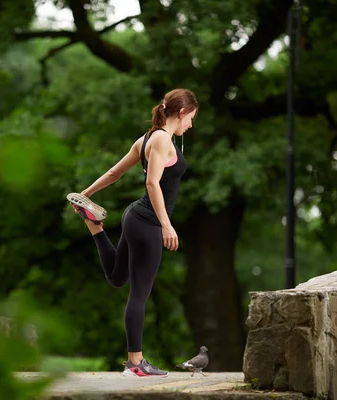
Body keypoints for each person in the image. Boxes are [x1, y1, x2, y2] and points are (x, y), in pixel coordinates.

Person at [66, 88, 198, 378]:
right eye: (191, 118)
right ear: (181, 112)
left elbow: (115, 173)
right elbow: (152, 184)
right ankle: (135, 363)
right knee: (139, 293)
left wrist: (84, 195)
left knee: (117, 277)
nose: (191, 125)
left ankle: (94, 225)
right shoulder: (162, 139)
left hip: (134, 217)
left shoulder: (147, 138)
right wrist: (166, 224)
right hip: (148, 222)